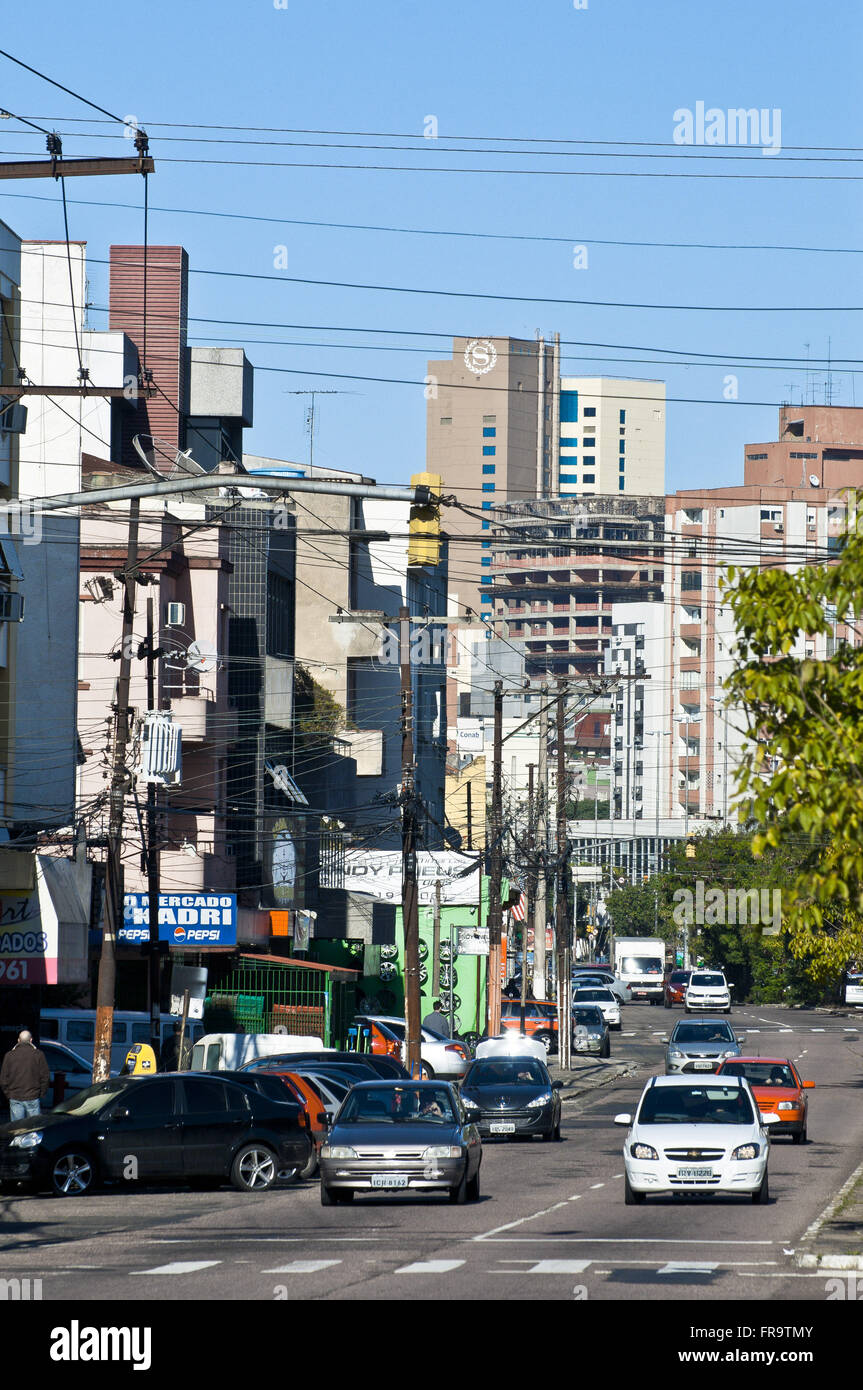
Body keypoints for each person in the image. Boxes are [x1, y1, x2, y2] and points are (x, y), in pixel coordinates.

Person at [1, 1029, 51, 1120]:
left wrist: (8, 1094)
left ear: (18, 1040)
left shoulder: (9, 1055)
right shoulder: (39, 1055)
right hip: (33, 1095)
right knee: (34, 1126)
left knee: (18, 1128)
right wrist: (41, 1093)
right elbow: (45, 1076)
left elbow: (3, 1079)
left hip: (14, 1096)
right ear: (31, 1040)